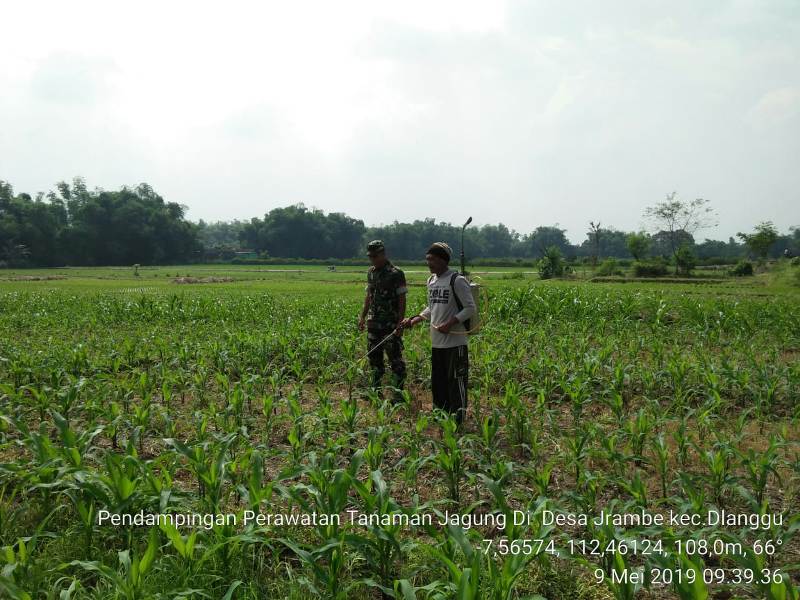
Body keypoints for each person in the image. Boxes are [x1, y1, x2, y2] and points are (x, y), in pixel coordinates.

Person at [401, 242, 475, 427]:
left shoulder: (456, 280)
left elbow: (470, 308)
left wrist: (450, 323)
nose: (429, 263)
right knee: (438, 382)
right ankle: (440, 418)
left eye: (432, 260)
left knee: (456, 382)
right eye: (427, 260)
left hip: (455, 343)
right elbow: (432, 307)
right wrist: (415, 319)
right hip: (437, 342)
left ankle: (458, 422)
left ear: (443, 260)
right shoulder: (431, 281)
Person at [359, 240, 408, 399]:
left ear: (383, 254)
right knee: (374, 358)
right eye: (370, 256)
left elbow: (402, 299)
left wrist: (400, 322)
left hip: (390, 324)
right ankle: (375, 391)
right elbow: (369, 296)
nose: (372, 259)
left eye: (375, 256)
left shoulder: (396, 273)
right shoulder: (371, 272)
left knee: (395, 359)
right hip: (374, 323)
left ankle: (398, 394)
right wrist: (362, 317)